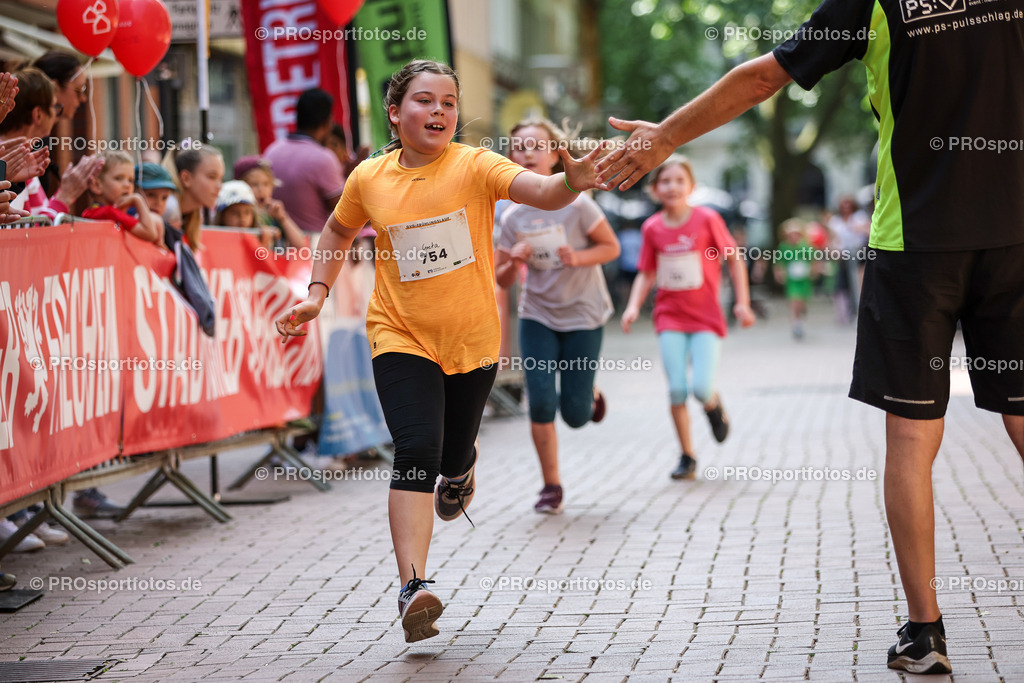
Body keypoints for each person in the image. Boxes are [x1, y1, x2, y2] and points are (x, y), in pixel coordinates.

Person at [595, 1, 1023, 674]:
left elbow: (766, 76)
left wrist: (667, 136)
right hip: (1015, 237)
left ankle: (925, 631)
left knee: (913, 435)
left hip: (916, 245)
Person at [275, 59, 607, 643]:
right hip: (398, 334)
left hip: (472, 342)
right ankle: (413, 587)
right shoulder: (369, 177)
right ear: (395, 111)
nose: (439, 112)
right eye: (425, 101)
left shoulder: (476, 165)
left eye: (449, 103)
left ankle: (462, 467)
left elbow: (543, 191)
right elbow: (335, 231)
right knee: (416, 446)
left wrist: (572, 181)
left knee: (451, 453)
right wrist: (317, 294)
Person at [494, 118, 620, 514]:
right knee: (542, 401)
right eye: (519, 147)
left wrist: (577, 257)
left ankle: (591, 395)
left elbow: (611, 248)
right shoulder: (511, 217)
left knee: (577, 415)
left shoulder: (579, 203)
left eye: (537, 145)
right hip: (538, 315)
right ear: (511, 157)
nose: (527, 153)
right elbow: (501, 277)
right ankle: (551, 486)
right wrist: (514, 262)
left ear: (555, 154)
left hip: (584, 314)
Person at [620, 156, 755, 481]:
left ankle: (712, 404)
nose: (672, 186)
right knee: (677, 389)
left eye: (680, 180)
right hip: (669, 317)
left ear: (691, 187)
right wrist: (633, 306)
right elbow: (647, 271)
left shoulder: (707, 219)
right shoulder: (651, 227)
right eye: (665, 181)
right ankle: (687, 455)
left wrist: (743, 303)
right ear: (655, 189)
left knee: (699, 387)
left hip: (706, 318)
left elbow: (734, 259)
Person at [264, 89, 346, 235]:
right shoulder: (323, 158)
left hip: (279, 248)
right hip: (316, 249)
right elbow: (345, 213)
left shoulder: (272, 151)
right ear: (328, 123)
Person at [82, 150, 160, 244]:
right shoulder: (110, 213)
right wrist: (138, 200)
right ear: (97, 186)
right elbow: (151, 234)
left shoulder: (90, 212)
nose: (127, 185)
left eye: (131, 180)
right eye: (118, 178)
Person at [233, 155, 307, 248]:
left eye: (266, 184)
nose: (261, 189)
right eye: (254, 184)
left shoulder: (272, 215)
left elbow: (300, 244)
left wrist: (283, 218)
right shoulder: (240, 216)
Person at [171, 146, 225, 252]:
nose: (219, 186)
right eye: (212, 177)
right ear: (186, 178)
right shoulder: (165, 213)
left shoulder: (191, 221)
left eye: (221, 178)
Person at [828, 196, 870, 324]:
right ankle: (845, 313)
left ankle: (860, 309)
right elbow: (832, 239)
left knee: (859, 282)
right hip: (843, 255)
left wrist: (858, 228)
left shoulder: (860, 216)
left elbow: (869, 231)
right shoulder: (835, 221)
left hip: (859, 253)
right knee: (842, 283)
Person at [774, 219, 815, 340]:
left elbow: (813, 261)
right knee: (794, 301)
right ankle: (796, 325)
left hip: (804, 279)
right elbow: (779, 263)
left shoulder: (805, 246)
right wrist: (779, 273)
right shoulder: (783, 247)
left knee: (801, 302)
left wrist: (813, 272)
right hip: (792, 280)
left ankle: (801, 313)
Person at [136, 161, 178, 240]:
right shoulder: (127, 218)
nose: (158, 203)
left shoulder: (170, 234)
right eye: (151, 195)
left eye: (164, 198)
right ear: (134, 191)